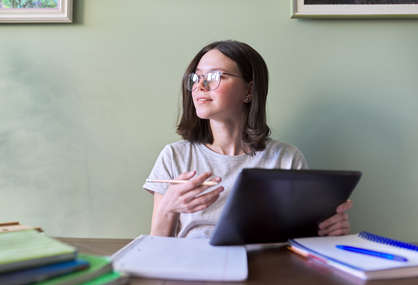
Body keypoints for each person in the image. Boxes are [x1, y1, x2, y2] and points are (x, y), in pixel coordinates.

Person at [143, 40, 352, 238]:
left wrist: (327, 232)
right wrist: (168, 208)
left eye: (215, 76)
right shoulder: (174, 156)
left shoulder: (286, 159)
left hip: (266, 269)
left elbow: (301, 242)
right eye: (196, 78)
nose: (200, 86)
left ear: (249, 90)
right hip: (192, 267)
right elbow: (155, 247)